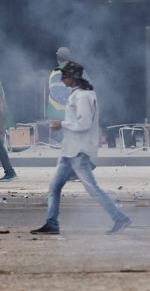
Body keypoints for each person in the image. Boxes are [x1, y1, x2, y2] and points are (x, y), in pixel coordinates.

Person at [31, 61, 131, 237]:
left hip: (78, 151)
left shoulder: (83, 96)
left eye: (64, 76)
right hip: (70, 151)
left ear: (73, 78)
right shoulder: (81, 94)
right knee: (54, 187)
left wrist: (60, 124)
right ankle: (52, 223)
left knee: (92, 188)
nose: (62, 78)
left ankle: (120, 218)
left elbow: (84, 124)